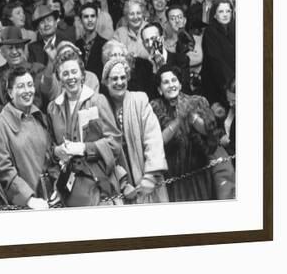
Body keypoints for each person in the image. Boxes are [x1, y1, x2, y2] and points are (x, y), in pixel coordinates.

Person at [47, 52, 124, 206]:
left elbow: (114, 143)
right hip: (68, 189)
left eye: (74, 72)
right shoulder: (53, 108)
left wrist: (84, 148)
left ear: (82, 74)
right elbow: (49, 148)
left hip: (99, 186)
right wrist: (57, 152)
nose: (71, 77)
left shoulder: (97, 101)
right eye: (65, 73)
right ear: (59, 78)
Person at [151, 66, 234, 201]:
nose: (171, 85)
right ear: (159, 89)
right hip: (173, 176)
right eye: (166, 82)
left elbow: (210, 133)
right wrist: (179, 120)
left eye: (174, 80)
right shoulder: (155, 107)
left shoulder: (197, 101)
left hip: (199, 171)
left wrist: (191, 116)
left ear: (180, 84)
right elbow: (158, 141)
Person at [100, 57, 169, 204]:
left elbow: (153, 138)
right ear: (106, 82)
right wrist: (123, 183)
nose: (119, 82)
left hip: (148, 181)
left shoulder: (139, 100)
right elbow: (107, 151)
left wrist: (151, 175)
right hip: (121, 187)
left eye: (123, 77)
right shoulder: (103, 107)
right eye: (114, 79)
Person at [0, 67, 55, 209]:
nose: (27, 91)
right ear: (10, 92)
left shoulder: (40, 117)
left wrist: (59, 188)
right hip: (26, 203)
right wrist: (29, 199)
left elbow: (51, 159)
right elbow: (5, 170)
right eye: (21, 86)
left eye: (30, 85)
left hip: (52, 197)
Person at [0, 26, 59, 122]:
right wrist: (17, 115)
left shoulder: (37, 69)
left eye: (18, 47)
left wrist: (51, 62)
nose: (14, 51)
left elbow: (43, 99)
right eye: (10, 48)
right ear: (3, 52)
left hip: (36, 123)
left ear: (24, 48)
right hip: (7, 127)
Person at [139, 22, 191, 100]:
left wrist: (162, 66)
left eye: (153, 39)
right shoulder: (143, 67)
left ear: (162, 39)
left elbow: (184, 90)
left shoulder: (181, 59)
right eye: (146, 41)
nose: (150, 44)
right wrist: (154, 71)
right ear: (143, 44)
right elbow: (148, 97)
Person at [201, 0, 235, 106]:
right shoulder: (210, 32)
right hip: (217, 83)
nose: (225, 14)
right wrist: (231, 82)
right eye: (221, 11)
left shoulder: (235, 28)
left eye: (228, 11)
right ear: (214, 15)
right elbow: (216, 61)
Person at [75, 2, 108, 78]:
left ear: (97, 18)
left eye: (92, 16)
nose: (90, 20)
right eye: (86, 17)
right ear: (80, 20)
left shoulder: (105, 44)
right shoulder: (76, 45)